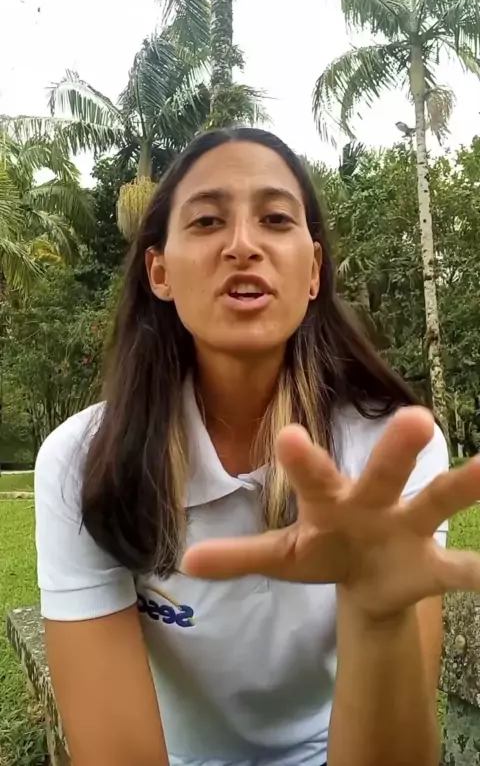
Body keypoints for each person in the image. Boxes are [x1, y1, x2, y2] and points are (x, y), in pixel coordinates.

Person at [35, 127, 480, 766]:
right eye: (207, 220)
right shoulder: (82, 462)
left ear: (313, 272)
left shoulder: (390, 448)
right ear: (159, 272)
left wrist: (377, 615)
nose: (243, 245)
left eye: (275, 219)